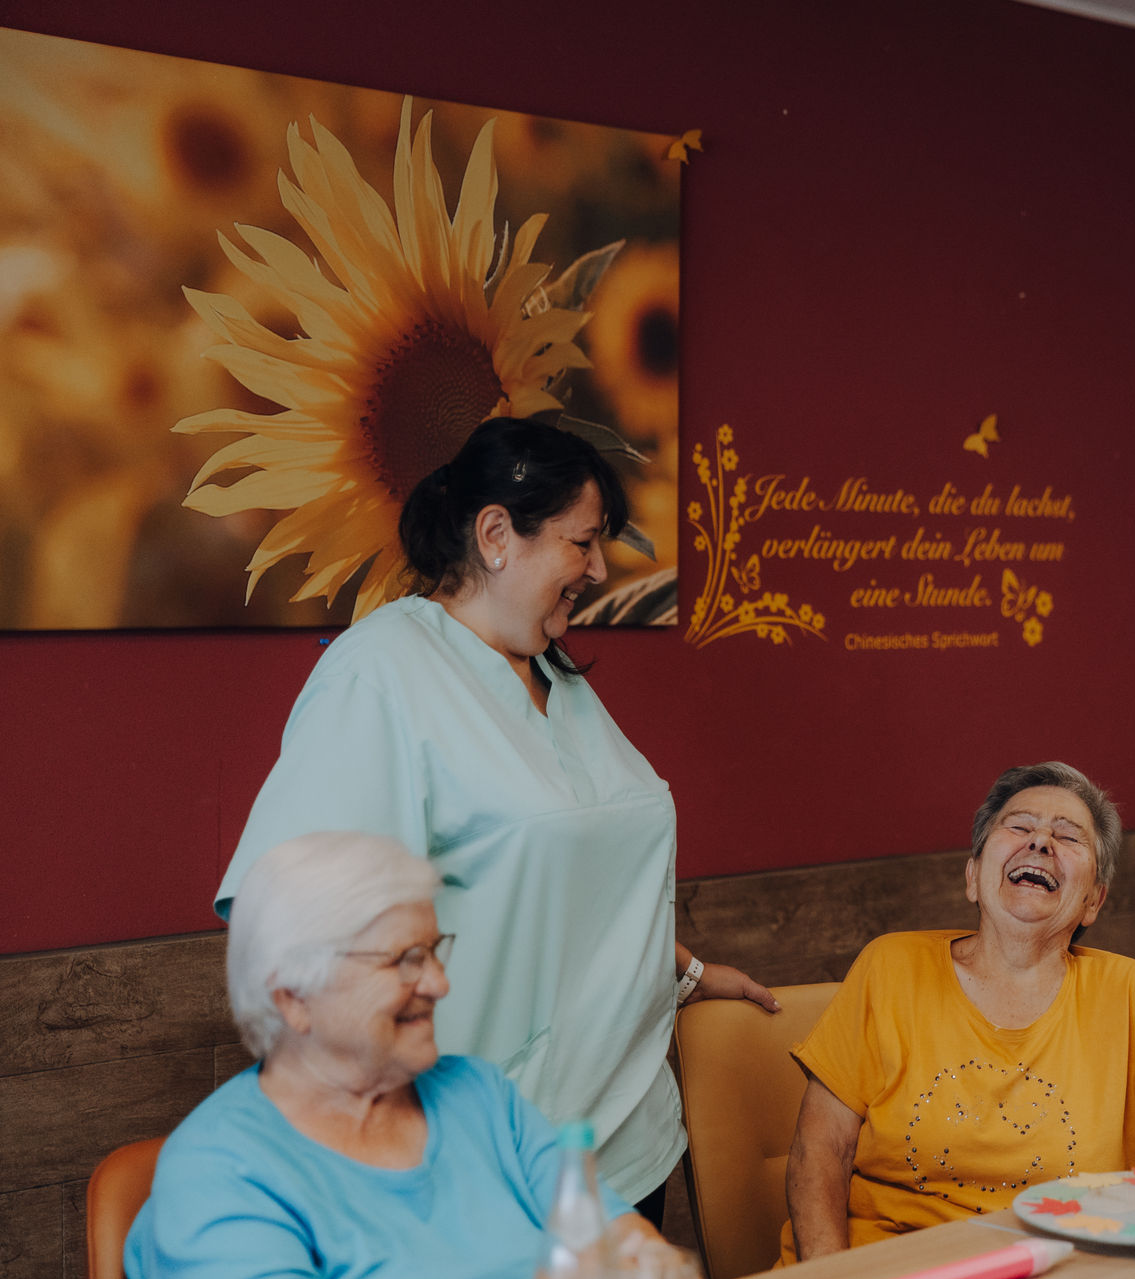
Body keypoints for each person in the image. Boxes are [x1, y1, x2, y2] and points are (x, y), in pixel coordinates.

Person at [214, 417, 775, 1220]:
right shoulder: (380, 673)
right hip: (485, 1161)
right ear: (496, 535)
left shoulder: (555, 677)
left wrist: (680, 974)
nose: (598, 568)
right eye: (583, 542)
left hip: (627, 1144)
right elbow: (288, 922)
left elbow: (564, 879)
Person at [782, 761, 1135, 1261]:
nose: (1040, 842)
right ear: (972, 876)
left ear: (1093, 901)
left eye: (1069, 836)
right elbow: (819, 1152)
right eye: (1020, 826)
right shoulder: (890, 968)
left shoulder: (1132, 997)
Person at [129, 832, 691, 1278]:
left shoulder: (480, 1095)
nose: (440, 984)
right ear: (294, 998)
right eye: (403, 960)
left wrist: (645, 1258)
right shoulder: (218, 1174)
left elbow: (609, 1230)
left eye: (433, 950)